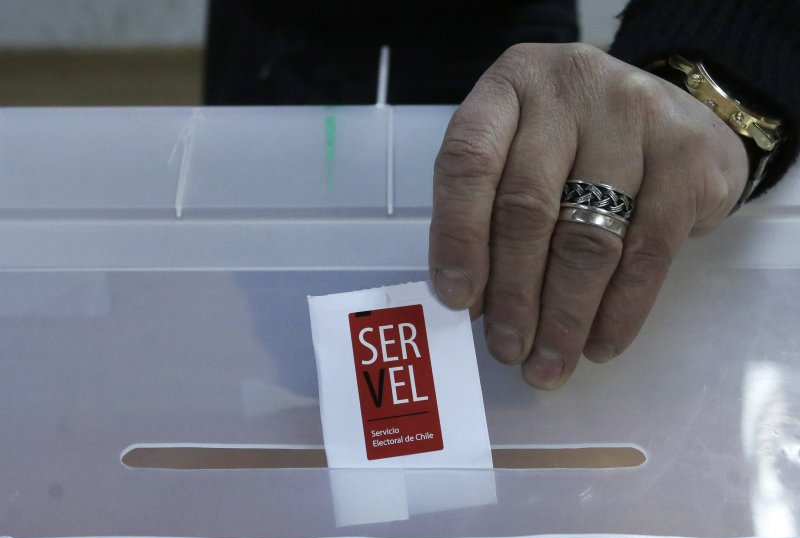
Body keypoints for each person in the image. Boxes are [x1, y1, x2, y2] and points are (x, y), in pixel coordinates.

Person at [205, 0, 800, 389]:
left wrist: (717, 72)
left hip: (500, 25)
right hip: (271, 39)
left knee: (517, 330)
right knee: (299, 346)